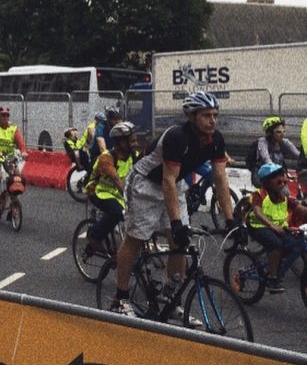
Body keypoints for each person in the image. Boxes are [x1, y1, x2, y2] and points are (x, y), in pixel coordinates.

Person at [110, 91, 233, 318]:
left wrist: (231, 219)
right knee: (135, 239)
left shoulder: (216, 139)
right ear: (192, 116)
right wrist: (175, 222)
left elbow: (220, 179)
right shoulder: (177, 137)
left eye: (215, 115)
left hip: (174, 184)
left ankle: (170, 299)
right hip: (146, 184)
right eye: (206, 115)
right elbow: (167, 179)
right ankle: (120, 297)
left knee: (180, 242)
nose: (212, 120)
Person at [246, 162, 307, 292]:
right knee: (276, 245)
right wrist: (272, 225)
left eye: (282, 176)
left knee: (295, 243)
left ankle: (275, 263)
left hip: (278, 228)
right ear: (266, 182)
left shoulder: (284, 197)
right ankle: (272, 278)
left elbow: (300, 209)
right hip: (258, 226)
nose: (282, 181)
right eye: (276, 177)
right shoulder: (259, 195)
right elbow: (257, 212)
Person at [84, 121, 139, 255]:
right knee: (117, 212)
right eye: (132, 141)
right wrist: (130, 198)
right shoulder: (106, 159)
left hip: (115, 193)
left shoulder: (133, 155)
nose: (136, 144)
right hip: (97, 191)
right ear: (122, 143)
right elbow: (116, 180)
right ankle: (95, 236)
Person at [0, 106, 29, 209]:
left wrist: (23, 151)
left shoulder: (14, 128)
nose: (5, 118)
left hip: (9, 158)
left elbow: (20, 142)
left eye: (7, 116)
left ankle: (13, 198)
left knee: (17, 177)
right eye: (3, 116)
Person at [253, 117, 300, 185]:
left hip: (278, 176)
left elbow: (298, 155)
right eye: (278, 132)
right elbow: (266, 158)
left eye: (283, 132)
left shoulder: (284, 142)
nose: (282, 134)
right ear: (270, 133)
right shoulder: (263, 142)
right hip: (261, 177)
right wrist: (276, 170)